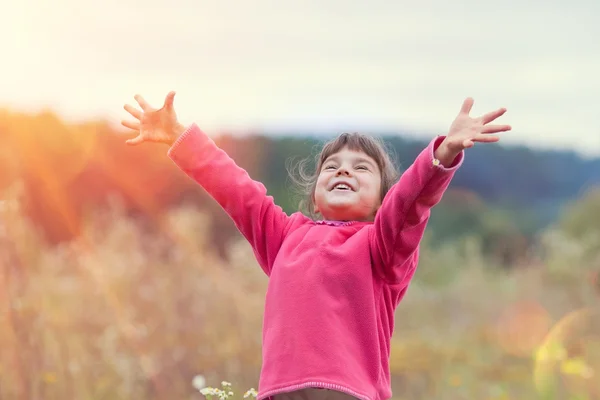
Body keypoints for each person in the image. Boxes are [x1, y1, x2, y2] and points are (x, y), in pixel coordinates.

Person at [121, 92, 511, 400]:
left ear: (381, 199)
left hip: (350, 392)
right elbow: (237, 190)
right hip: (281, 390)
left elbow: (410, 204)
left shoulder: (383, 246)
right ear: (315, 190)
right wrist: (180, 138)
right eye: (332, 166)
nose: (344, 170)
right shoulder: (284, 236)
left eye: (362, 168)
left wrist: (441, 155)